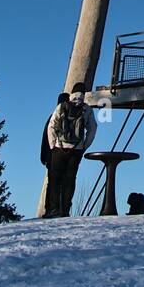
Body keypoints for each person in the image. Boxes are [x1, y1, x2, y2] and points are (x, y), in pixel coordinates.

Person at [41, 83, 97, 217]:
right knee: (70, 180)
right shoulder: (86, 109)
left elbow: (51, 126)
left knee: (54, 180)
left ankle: (53, 209)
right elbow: (92, 128)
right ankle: (65, 210)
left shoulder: (62, 106)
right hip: (76, 151)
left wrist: (53, 144)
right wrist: (84, 146)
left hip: (59, 149)